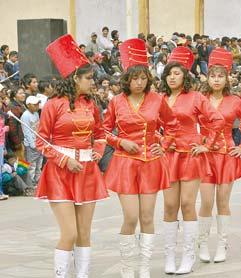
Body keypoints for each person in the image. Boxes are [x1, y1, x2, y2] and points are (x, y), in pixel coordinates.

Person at [103, 38, 178, 278]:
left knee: (147, 216)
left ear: (148, 78)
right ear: (126, 79)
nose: (139, 82)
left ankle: (144, 268)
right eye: (134, 78)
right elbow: (102, 131)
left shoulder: (157, 100)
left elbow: (173, 125)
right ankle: (127, 268)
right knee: (131, 217)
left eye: (143, 78)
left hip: (150, 163)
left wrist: (164, 145)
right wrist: (119, 141)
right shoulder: (116, 102)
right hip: (125, 162)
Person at [36, 34, 108, 277]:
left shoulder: (91, 104)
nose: (92, 83)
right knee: (70, 233)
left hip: (87, 170)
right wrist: (65, 160)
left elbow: (100, 134)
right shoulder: (53, 104)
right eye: (88, 78)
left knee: (85, 234)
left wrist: (97, 153)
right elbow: (41, 141)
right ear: (75, 77)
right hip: (60, 172)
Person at [160, 46, 224, 275]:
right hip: (168, 155)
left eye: (177, 73)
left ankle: (188, 256)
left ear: (185, 76)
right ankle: (169, 256)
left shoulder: (195, 97)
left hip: (191, 154)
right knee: (169, 206)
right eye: (169, 73)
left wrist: (206, 144)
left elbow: (217, 120)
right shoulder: (160, 99)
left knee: (187, 204)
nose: (172, 77)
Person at [197, 48, 241, 263]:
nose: (216, 80)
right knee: (205, 202)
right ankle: (202, 243)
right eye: (212, 75)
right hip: (204, 155)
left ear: (227, 78)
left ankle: (222, 244)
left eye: (220, 76)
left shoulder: (235, 101)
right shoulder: (199, 98)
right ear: (207, 77)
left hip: (226, 154)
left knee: (223, 201)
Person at [21, 96, 42, 188]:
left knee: (39, 163)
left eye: (38, 104)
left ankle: (38, 181)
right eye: (35, 104)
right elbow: (26, 131)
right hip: (30, 145)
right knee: (31, 165)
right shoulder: (25, 115)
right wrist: (32, 144)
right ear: (29, 105)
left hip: (38, 142)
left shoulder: (36, 113)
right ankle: (31, 183)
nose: (37, 106)